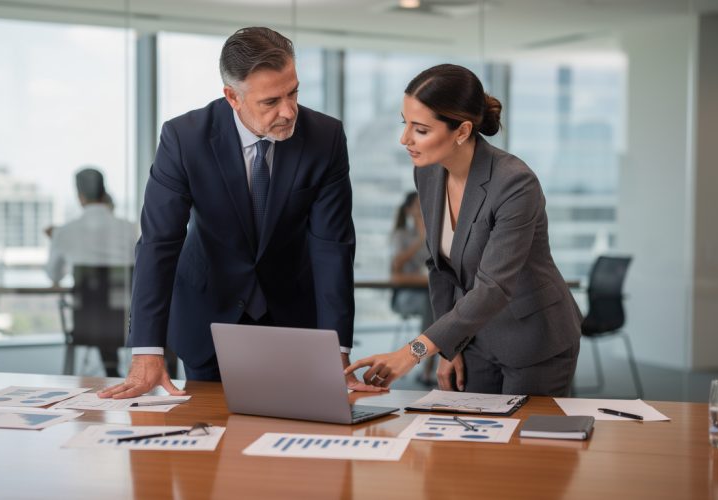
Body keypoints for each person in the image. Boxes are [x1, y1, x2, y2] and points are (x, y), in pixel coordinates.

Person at [100, 27, 382, 400]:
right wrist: (147, 349)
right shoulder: (185, 138)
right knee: (207, 429)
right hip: (207, 316)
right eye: (271, 101)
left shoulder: (324, 137)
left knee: (295, 430)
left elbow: (332, 247)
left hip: (293, 318)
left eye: (293, 93)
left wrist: (337, 350)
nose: (289, 111)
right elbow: (159, 243)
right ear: (233, 97)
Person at [346, 64, 582, 397]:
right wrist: (449, 345)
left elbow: (494, 286)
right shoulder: (428, 173)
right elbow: (439, 267)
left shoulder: (514, 183)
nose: (405, 139)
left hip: (533, 337)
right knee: (468, 428)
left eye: (420, 129)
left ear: (462, 131)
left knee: (525, 432)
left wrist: (413, 352)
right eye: (405, 123)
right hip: (475, 335)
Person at [45, 167, 137, 285]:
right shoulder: (133, 229)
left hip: (85, 297)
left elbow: (54, 275)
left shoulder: (63, 232)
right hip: (126, 297)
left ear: (80, 197)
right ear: (104, 194)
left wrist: (55, 239)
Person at [389, 192, 435, 386]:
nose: (422, 208)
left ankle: (434, 365)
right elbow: (396, 267)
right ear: (408, 210)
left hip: (428, 290)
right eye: (417, 205)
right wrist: (420, 239)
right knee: (432, 303)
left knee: (440, 301)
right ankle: (426, 366)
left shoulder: (433, 234)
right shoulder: (401, 235)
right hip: (405, 296)